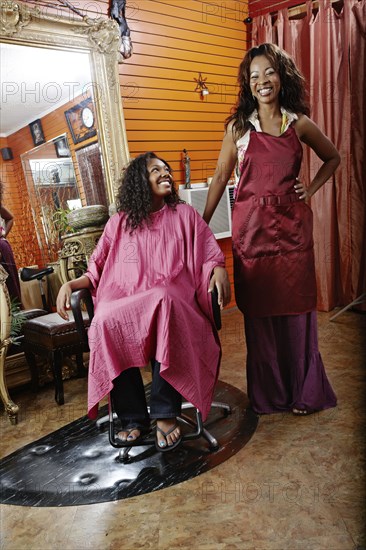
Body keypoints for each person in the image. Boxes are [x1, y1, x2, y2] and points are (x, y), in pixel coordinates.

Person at [57, 152, 231, 450]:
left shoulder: (184, 215)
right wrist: (70, 283)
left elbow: (207, 249)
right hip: (124, 296)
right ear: (140, 180)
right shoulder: (118, 223)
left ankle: (165, 413)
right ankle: (133, 418)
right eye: (155, 170)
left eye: (166, 169)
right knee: (105, 320)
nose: (165, 174)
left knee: (165, 300)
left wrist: (218, 267)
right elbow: (96, 268)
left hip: (171, 299)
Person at [203, 43, 340, 416]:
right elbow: (218, 178)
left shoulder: (298, 123)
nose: (262, 81)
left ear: (281, 77)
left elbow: (333, 157)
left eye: (269, 73)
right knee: (260, 315)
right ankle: (271, 395)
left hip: (293, 231)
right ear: (247, 86)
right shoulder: (238, 129)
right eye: (254, 76)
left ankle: (304, 393)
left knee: (297, 311)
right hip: (252, 233)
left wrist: (309, 189)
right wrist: (201, 227)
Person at [0, 182, 22, 304]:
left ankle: (16, 313)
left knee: (9, 280)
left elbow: (10, 218)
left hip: (2, 247)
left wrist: (3, 234)